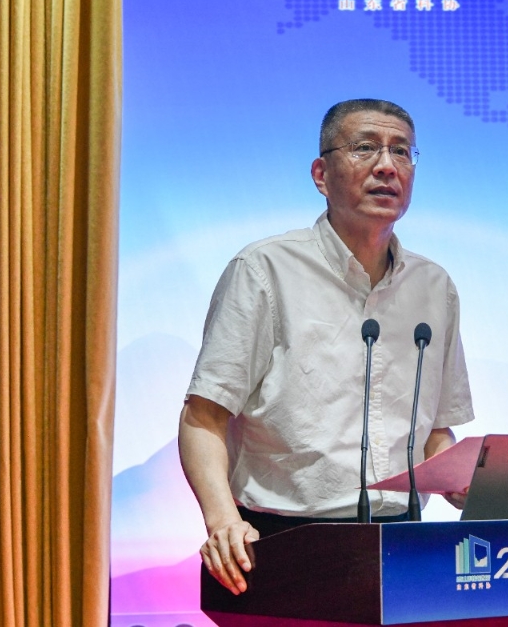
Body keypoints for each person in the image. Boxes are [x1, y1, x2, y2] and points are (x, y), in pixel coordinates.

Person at [178, 99, 474, 595]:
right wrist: (222, 520)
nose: (387, 166)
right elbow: (203, 416)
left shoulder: (434, 286)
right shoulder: (264, 270)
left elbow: (435, 430)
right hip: (284, 539)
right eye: (365, 148)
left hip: (403, 544)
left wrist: (463, 481)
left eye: (402, 151)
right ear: (321, 174)